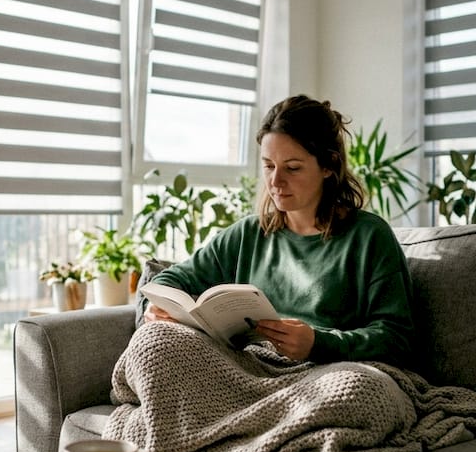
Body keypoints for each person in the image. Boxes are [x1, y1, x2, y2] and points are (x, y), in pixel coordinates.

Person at [141, 94, 416, 366]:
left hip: (330, 372)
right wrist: (156, 310)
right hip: (250, 368)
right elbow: (169, 281)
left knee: (359, 388)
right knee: (156, 344)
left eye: (292, 168)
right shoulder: (248, 234)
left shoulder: (369, 236)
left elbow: (397, 338)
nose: (275, 181)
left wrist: (318, 343)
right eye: (268, 166)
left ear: (329, 166)